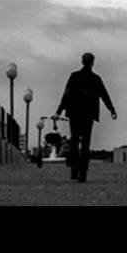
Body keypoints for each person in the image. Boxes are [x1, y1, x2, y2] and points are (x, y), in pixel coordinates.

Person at [53, 51, 117, 182]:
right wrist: (111, 109)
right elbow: (104, 95)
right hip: (88, 114)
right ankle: (83, 173)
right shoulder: (96, 79)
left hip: (74, 113)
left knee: (74, 141)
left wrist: (58, 111)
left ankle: (74, 171)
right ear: (93, 63)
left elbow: (66, 95)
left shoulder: (74, 76)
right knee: (86, 142)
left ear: (82, 62)